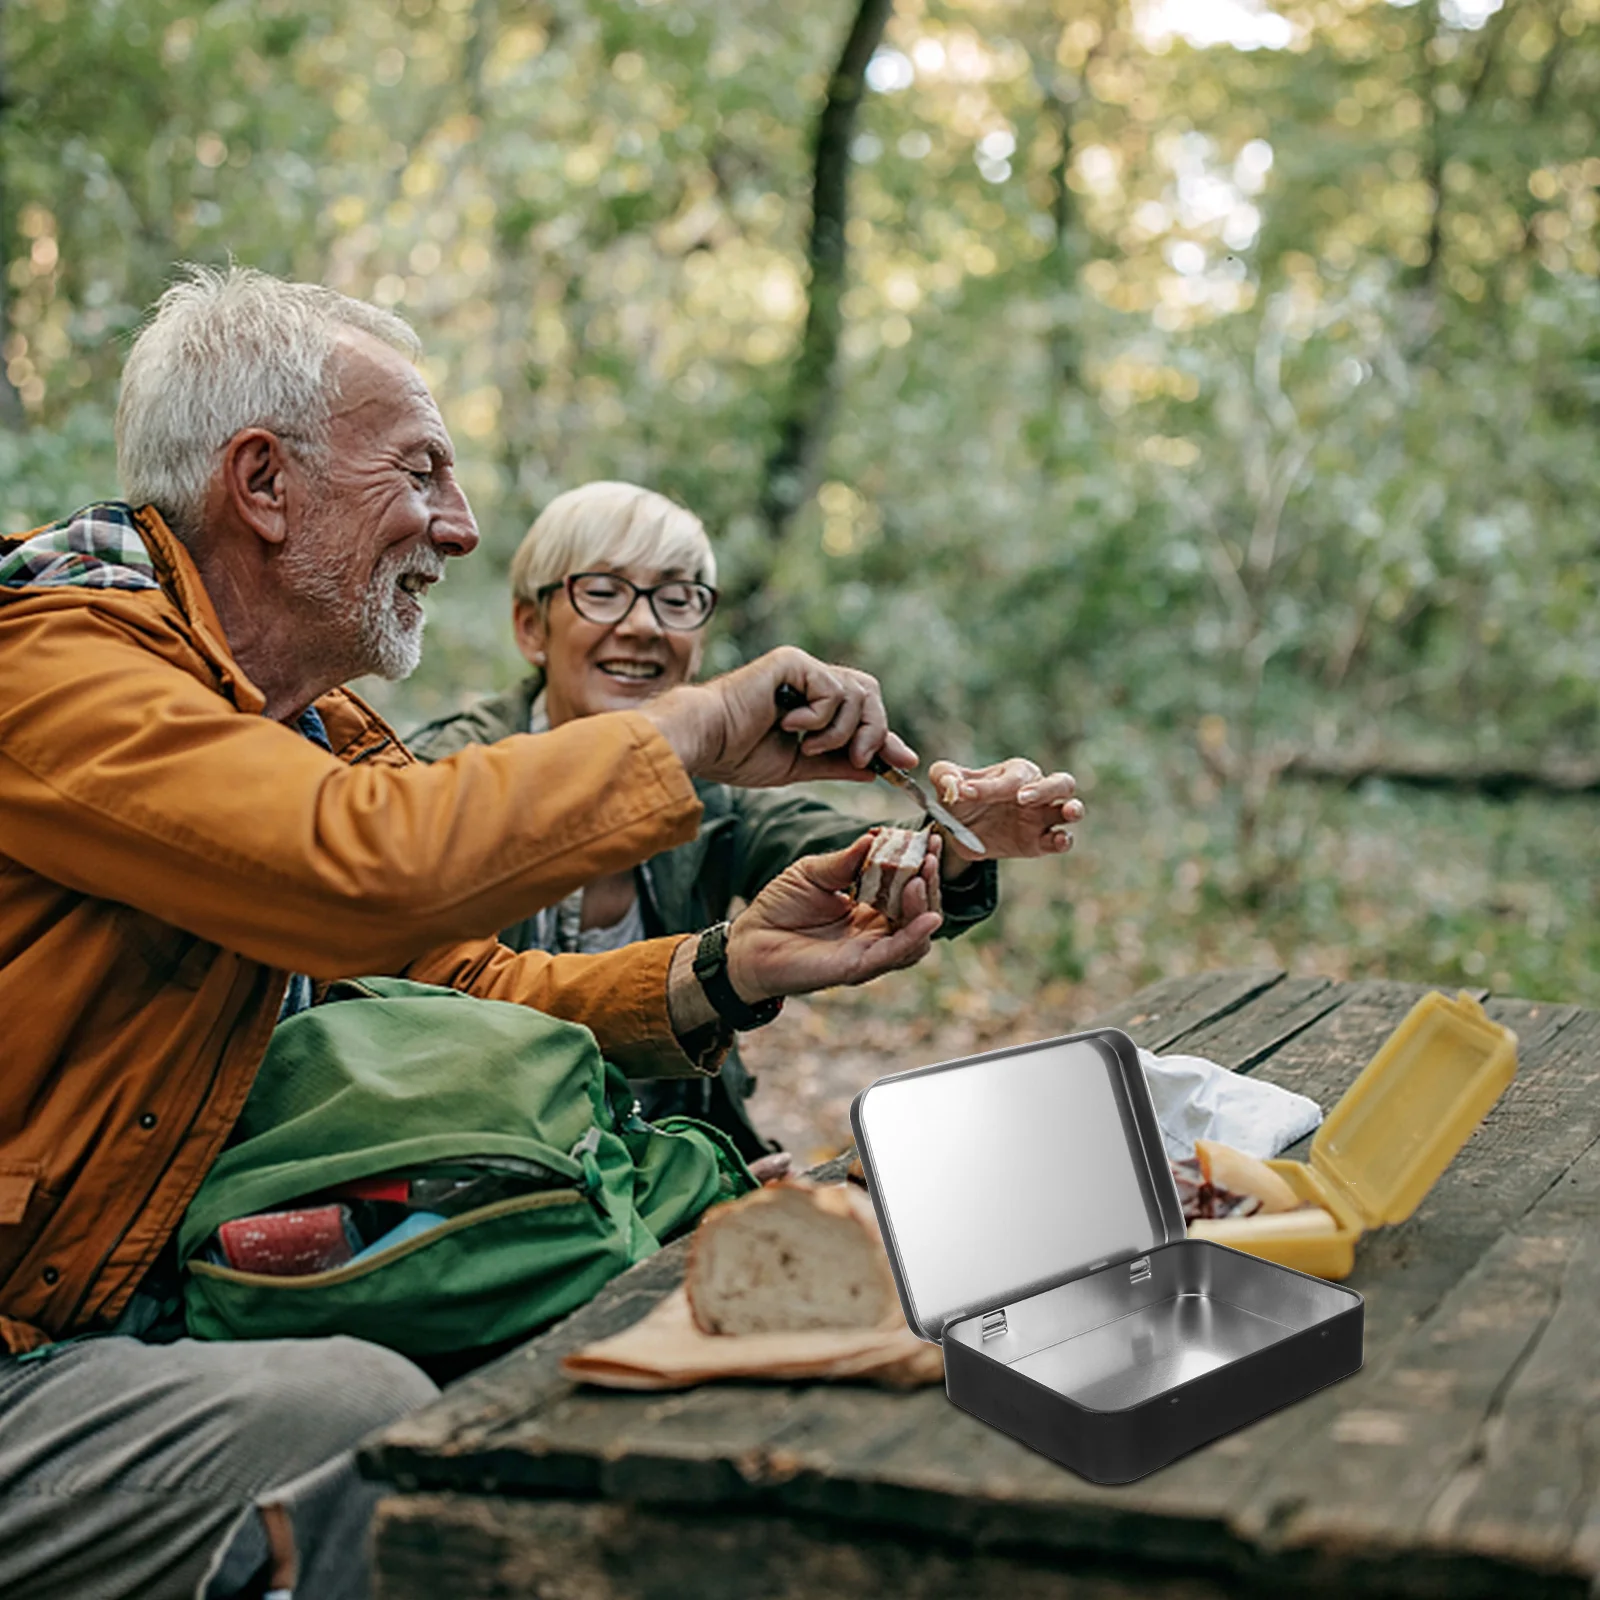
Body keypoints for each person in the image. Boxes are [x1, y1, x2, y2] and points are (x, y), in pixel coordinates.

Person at [0, 268, 953, 1600]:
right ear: (261, 484)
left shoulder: (298, 725)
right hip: (29, 1347)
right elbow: (364, 867)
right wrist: (702, 724)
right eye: (422, 473)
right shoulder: (48, 677)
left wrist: (729, 967)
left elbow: (463, 980)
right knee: (352, 1409)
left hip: (127, 1300)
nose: (459, 526)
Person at [407, 481, 1085, 1156]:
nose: (644, 625)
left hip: (681, 1159)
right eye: (604, 592)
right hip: (483, 1175)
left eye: (677, 600)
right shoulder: (443, 775)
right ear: (532, 627)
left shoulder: (711, 786)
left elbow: (828, 851)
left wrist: (956, 841)